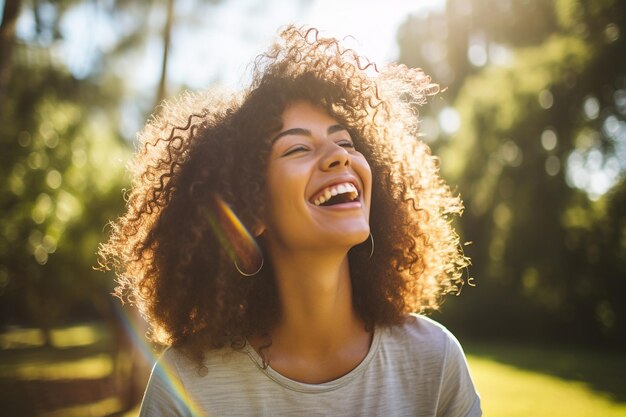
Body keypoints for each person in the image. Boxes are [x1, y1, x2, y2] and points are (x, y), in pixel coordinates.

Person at [99, 25, 481, 416]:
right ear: (253, 211)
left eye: (346, 142)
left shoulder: (434, 362)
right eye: (298, 148)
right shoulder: (185, 385)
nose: (339, 157)